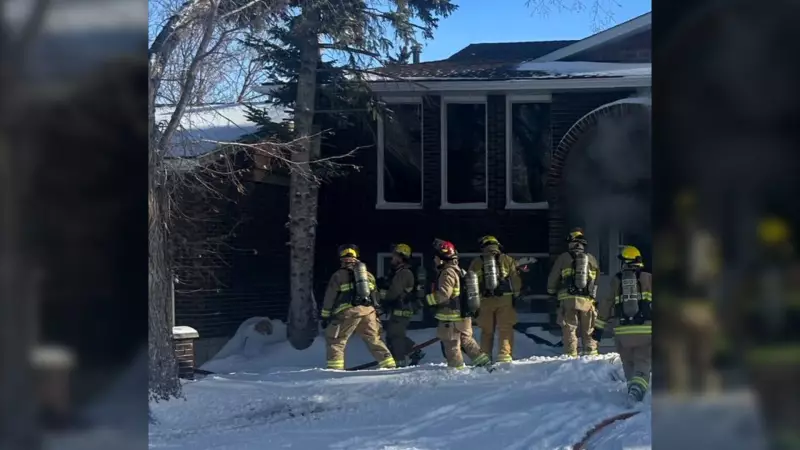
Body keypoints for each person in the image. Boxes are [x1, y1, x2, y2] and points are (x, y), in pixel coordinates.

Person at [592, 246, 653, 405]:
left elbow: (606, 304)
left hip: (622, 332)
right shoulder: (649, 278)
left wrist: (598, 328)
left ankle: (631, 388)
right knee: (643, 362)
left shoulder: (616, 281)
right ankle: (636, 391)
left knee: (628, 362)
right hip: (645, 331)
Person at [320, 244, 396, 370]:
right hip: (368, 312)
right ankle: (389, 365)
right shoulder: (368, 275)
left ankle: (335, 371)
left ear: (342, 258)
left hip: (348, 313)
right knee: (374, 340)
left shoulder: (338, 275)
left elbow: (330, 297)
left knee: (336, 341)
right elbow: (375, 296)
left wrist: (325, 315)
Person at [424, 239, 492, 370]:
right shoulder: (459, 271)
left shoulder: (447, 272)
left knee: (452, 344)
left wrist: (427, 300)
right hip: (463, 317)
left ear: (442, 258)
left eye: (436, 257)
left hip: (451, 318)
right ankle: (485, 364)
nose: (434, 260)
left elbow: (444, 295)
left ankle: (457, 372)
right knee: (467, 342)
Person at [546, 228, 600, 357]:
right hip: (587, 301)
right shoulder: (592, 259)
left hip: (568, 299)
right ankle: (591, 355)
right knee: (589, 329)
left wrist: (551, 291)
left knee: (569, 327)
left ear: (570, 243)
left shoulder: (563, 258)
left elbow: (554, 277)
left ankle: (571, 355)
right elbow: (596, 280)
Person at [469, 236, 522, 363]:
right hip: (505, 299)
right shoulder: (507, 259)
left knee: (487, 330)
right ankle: (504, 356)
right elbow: (515, 280)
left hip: (485, 300)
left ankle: (486, 356)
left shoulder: (477, 262)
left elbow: (470, 282)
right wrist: (516, 294)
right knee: (505, 328)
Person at [381, 243, 424, 367]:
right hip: (399, 309)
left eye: (394, 256)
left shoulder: (404, 273)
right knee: (393, 335)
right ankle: (415, 351)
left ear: (401, 257)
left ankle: (400, 363)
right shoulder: (399, 272)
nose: (392, 259)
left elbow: (393, 293)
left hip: (402, 309)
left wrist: (380, 294)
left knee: (395, 337)